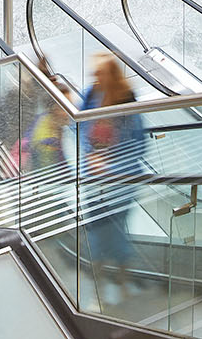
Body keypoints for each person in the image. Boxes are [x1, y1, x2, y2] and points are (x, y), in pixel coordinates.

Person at [80, 55, 147, 307]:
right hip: (94, 184)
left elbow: (138, 148)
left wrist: (110, 167)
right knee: (97, 236)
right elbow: (79, 127)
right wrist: (90, 156)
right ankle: (96, 293)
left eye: (100, 74)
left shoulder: (127, 106)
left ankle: (122, 286)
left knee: (116, 235)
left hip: (120, 185)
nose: (95, 79)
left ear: (112, 75)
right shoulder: (92, 96)